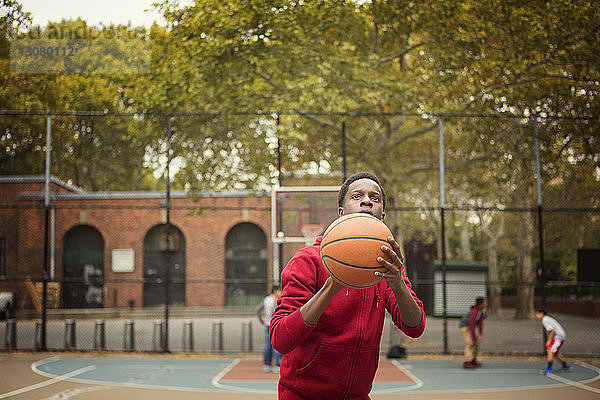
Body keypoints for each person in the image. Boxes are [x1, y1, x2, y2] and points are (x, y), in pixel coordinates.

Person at [270, 172, 426, 400]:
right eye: (357, 196)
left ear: (381, 215)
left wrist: (398, 284)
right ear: (341, 214)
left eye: (375, 197)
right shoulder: (308, 260)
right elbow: (280, 339)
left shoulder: (388, 267)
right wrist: (331, 287)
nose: (367, 201)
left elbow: (415, 327)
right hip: (302, 395)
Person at [535, 309, 570, 374]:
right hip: (559, 336)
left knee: (550, 350)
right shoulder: (546, 319)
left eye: (537, 314)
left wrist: (549, 340)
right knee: (555, 352)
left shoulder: (545, 320)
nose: (536, 316)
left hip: (559, 337)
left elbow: (552, 330)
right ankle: (565, 366)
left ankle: (549, 368)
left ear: (541, 314)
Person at [257, 285, 283, 373]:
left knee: (267, 345)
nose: (280, 293)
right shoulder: (276, 300)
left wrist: (262, 321)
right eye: (279, 291)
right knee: (276, 344)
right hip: (274, 324)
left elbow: (258, 310)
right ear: (275, 291)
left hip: (267, 323)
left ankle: (267, 364)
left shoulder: (266, 299)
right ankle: (277, 365)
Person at [459, 297, 487, 369]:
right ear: (481, 304)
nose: (486, 304)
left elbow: (480, 323)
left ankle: (473, 360)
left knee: (477, 343)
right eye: (485, 302)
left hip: (471, 327)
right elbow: (471, 324)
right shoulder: (475, 311)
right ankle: (467, 362)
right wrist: (473, 337)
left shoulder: (481, 311)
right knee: (470, 343)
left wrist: (480, 334)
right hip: (465, 327)